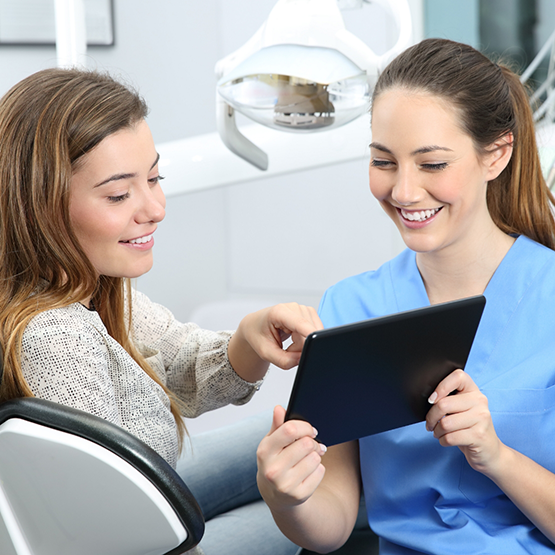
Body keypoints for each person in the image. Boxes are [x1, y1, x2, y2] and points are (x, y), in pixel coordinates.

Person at [0, 67, 323, 555]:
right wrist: (295, 516)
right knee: (312, 488)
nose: (154, 208)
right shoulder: (56, 341)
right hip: (137, 542)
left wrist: (248, 338)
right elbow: (111, 535)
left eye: (154, 178)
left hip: (144, 503)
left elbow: (176, 362)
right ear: (40, 204)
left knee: (313, 434)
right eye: (118, 194)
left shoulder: (86, 288)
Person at [256, 38, 555, 554]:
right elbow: (332, 525)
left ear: (496, 154)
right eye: (383, 161)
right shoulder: (350, 308)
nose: (403, 192)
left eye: (432, 164)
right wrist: (285, 496)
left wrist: (495, 456)